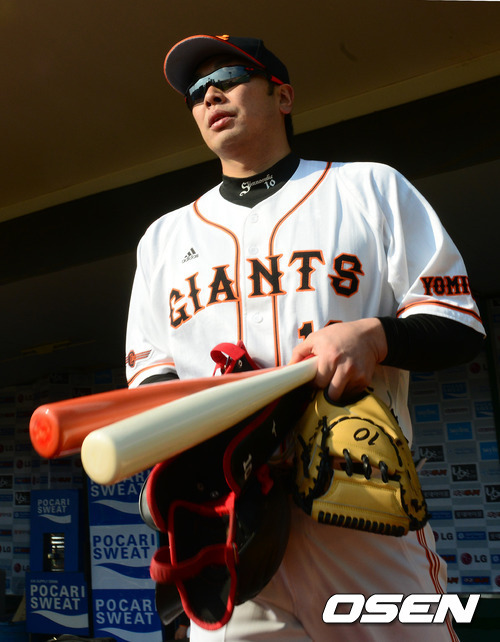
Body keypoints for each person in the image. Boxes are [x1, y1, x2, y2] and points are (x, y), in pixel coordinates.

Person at [125, 34, 485, 642]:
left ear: (283, 96)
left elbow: (458, 325)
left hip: (360, 506)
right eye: (196, 91)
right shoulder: (163, 239)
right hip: (230, 524)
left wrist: (375, 336)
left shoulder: (369, 188)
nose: (209, 95)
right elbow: (150, 377)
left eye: (229, 77)